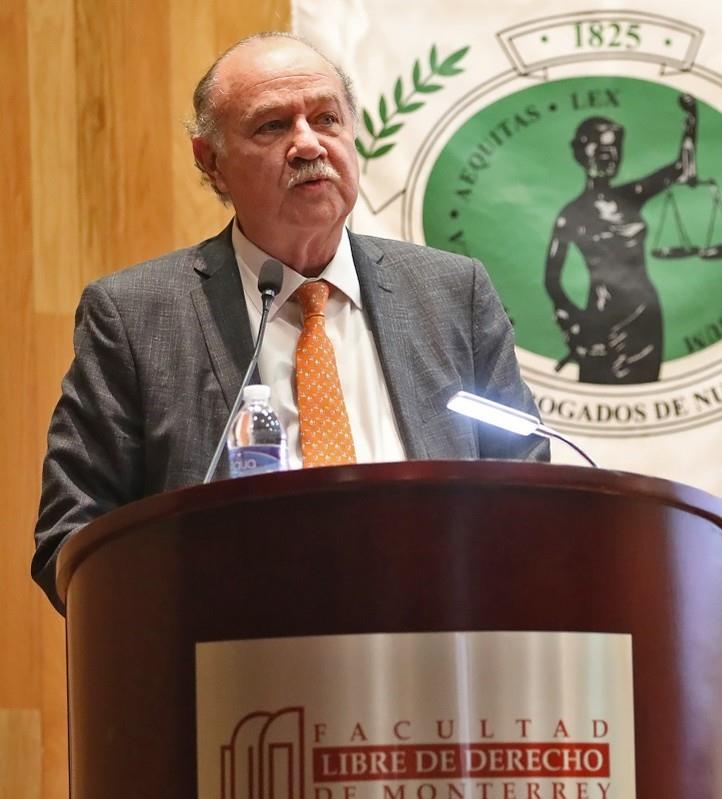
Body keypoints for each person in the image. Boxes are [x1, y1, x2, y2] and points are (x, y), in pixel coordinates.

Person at [32, 33, 546, 613]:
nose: (308, 146)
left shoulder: (451, 293)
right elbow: (72, 535)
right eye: (272, 127)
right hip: (232, 669)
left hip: (440, 653)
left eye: (326, 119)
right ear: (211, 162)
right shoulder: (135, 315)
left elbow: (529, 490)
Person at [544, 95, 698, 384]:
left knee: (644, 396)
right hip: (601, 321)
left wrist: (691, 123)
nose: (608, 155)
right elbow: (552, 281)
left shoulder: (631, 196)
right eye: (600, 149)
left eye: (614, 148)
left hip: (646, 318)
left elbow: (682, 169)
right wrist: (576, 324)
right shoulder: (571, 215)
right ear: (582, 153)